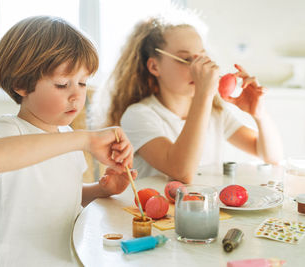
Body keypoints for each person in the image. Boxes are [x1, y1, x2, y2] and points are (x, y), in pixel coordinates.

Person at [0, 16, 135, 266]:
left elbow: (63, 197)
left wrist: (102, 189)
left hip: (66, 259)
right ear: (20, 85)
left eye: (83, 83)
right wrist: (85, 140)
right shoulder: (9, 129)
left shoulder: (68, 137)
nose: (76, 95)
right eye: (62, 84)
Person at [93, 11, 282, 183]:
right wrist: (203, 94)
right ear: (154, 67)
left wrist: (260, 114)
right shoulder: (139, 115)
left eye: (201, 57)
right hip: (159, 218)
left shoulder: (215, 113)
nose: (196, 68)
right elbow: (181, 172)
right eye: (185, 59)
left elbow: (271, 156)